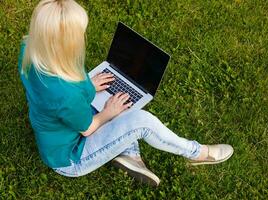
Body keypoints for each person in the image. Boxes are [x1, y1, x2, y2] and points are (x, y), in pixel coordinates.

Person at [18, 0, 233, 187]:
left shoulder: (30, 50)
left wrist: (89, 85)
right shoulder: (66, 94)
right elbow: (87, 128)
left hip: (59, 129)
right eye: (79, 33)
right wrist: (108, 112)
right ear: (67, 45)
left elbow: (63, 94)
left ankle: (130, 156)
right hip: (70, 156)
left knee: (122, 102)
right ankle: (198, 153)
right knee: (140, 119)